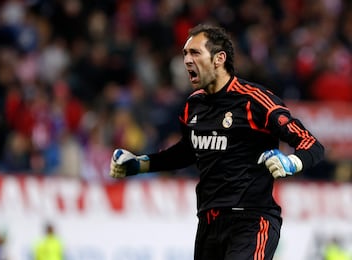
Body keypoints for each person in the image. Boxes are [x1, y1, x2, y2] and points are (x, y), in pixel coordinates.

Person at [110, 24, 324, 260]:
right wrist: (141, 164)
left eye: (195, 53)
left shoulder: (255, 100)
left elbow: (310, 143)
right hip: (208, 224)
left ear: (219, 58)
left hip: (252, 221)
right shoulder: (192, 105)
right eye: (185, 54)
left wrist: (291, 162)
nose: (187, 60)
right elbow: (187, 151)